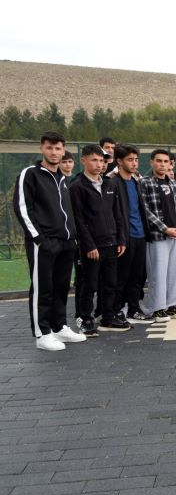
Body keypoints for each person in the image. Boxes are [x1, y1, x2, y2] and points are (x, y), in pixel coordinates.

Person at [13, 132, 87, 350]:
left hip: (66, 242)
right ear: (41, 149)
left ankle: (59, 327)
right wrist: (39, 239)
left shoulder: (63, 178)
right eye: (49, 148)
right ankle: (42, 333)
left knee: (61, 287)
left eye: (58, 148)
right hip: (44, 243)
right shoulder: (30, 174)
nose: (54, 152)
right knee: (42, 288)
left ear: (63, 151)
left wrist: (73, 238)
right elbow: (22, 208)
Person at [69, 144, 127, 336]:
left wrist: (121, 240)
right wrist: (89, 245)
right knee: (89, 285)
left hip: (112, 244)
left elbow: (117, 214)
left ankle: (108, 317)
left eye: (101, 161)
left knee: (110, 283)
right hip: (92, 247)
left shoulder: (109, 185)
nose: (99, 164)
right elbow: (78, 220)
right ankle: (85, 318)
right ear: (83, 160)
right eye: (94, 160)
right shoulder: (77, 186)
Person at [139, 149, 176, 322]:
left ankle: (173, 305)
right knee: (158, 274)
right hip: (157, 236)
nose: (163, 164)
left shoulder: (173, 183)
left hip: (175, 235)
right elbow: (146, 211)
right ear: (151, 162)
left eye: (166, 162)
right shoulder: (144, 182)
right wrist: (165, 229)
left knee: (175, 272)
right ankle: (157, 308)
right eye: (159, 161)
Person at [109, 144, 150, 325]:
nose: (134, 163)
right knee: (120, 278)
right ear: (119, 161)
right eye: (130, 160)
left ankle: (134, 309)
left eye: (136, 160)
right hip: (124, 238)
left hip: (140, 236)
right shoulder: (113, 183)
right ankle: (115, 311)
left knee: (137, 277)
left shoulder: (136, 182)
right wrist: (119, 238)